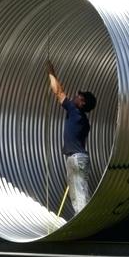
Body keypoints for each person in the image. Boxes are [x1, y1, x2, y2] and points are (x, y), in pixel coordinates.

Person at [46, 61, 97, 215]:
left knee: (78, 194)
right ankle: (83, 217)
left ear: (82, 103)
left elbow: (58, 92)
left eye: (78, 96)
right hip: (79, 158)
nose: (74, 97)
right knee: (79, 191)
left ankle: (83, 219)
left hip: (75, 158)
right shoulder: (83, 120)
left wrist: (50, 71)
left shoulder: (75, 111)